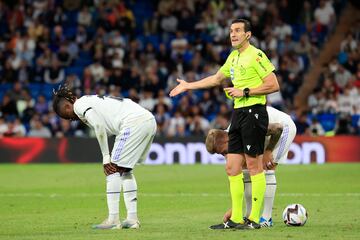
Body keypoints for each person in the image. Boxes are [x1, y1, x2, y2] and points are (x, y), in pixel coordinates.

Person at [170, 19, 279, 229]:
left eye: (238, 30)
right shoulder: (234, 57)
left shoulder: (256, 55)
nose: (233, 34)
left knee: (255, 166)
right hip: (238, 113)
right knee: (232, 167)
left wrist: (245, 91)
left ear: (248, 34)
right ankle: (236, 218)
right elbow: (216, 78)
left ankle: (255, 219)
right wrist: (188, 86)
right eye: (231, 31)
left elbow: (273, 84)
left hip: (254, 112)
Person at [52, 85, 156, 229]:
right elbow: (105, 126)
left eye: (65, 115)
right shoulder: (90, 100)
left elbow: (99, 127)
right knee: (125, 170)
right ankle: (132, 219)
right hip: (148, 120)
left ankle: (113, 220)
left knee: (111, 169)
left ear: (68, 106)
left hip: (133, 123)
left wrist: (106, 157)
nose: (69, 118)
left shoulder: (79, 105)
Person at [206, 106, 297, 227]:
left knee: (267, 167)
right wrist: (234, 209)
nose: (225, 156)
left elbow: (278, 128)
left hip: (283, 128)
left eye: (223, 152)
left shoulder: (246, 127)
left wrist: (269, 151)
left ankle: (266, 218)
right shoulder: (232, 137)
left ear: (226, 141)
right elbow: (237, 178)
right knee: (245, 170)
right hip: (263, 135)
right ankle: (248, 216)